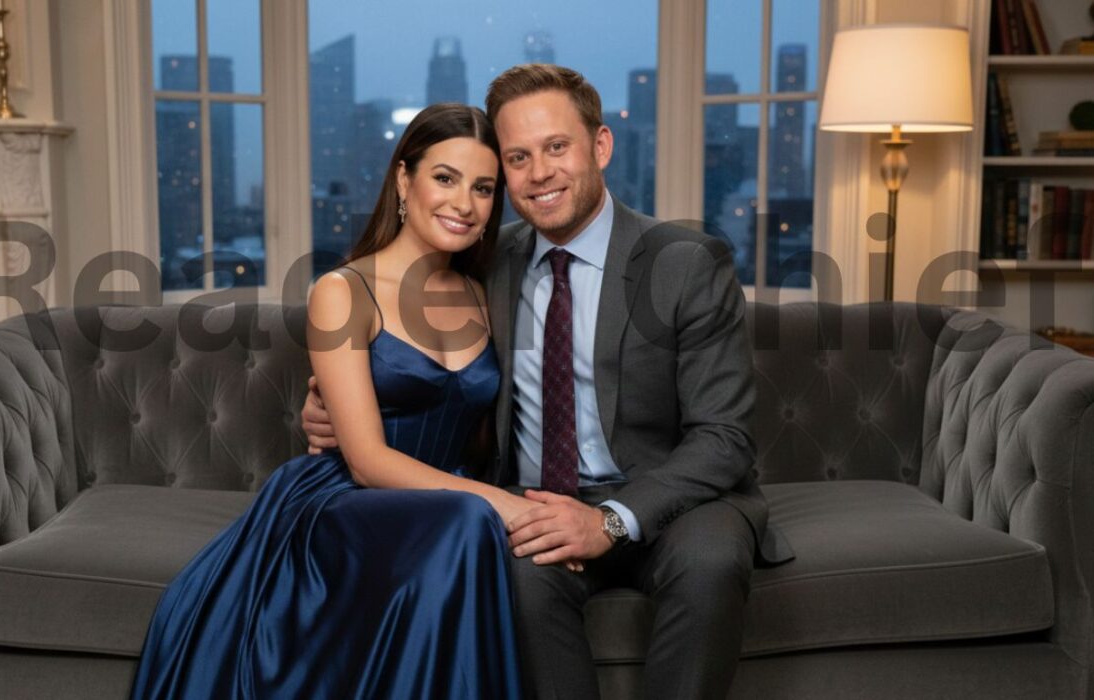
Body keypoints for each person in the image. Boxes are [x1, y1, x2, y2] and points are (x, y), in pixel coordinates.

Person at [303, 64, 794, 699]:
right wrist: (327, 405)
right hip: (536, 500)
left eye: (556, 147)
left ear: (601, 146)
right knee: (514, 579)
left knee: (711, 561)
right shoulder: (487, 261)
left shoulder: (686, 262)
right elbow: (409, 351)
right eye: (518, 157)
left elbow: (724, 438)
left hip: (674, 500)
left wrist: (612, 520)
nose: (540, 173)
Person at [129, 103, 536, 700]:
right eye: (444, 178)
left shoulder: (485, 292)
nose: (464, 204)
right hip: (349, 497)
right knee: (470, 521)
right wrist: (505, 505)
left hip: (447, 499)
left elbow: (480, 426)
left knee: (466, 523)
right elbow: (368, 460)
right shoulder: (345, 291)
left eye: (482, 188)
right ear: (404, 179)